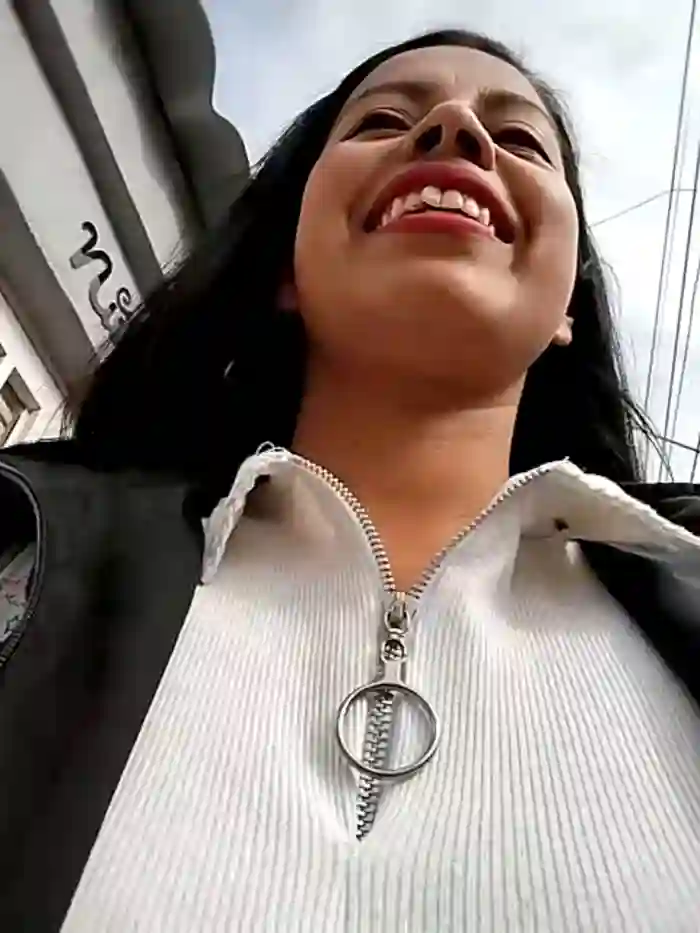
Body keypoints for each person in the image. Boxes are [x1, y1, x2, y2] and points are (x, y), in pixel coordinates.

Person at [1, 27, 700, 933]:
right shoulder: (21, 549)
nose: (455, 129)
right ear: (285, 269)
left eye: (519, 139)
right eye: (382, 121)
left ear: (569, 303)